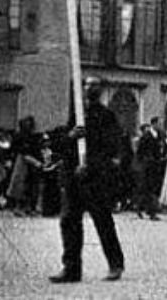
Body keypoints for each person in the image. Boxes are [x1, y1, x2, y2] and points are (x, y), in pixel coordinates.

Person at [49, 76, 125, 283]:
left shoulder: (107, 116)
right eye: (87, 84)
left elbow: (111, 148)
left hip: (95, 179)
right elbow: (56, 143)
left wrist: (89, 165)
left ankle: (115, 264)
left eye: (95, 85)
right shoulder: (73, 114)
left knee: (103, 221)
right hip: (72, 178)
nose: (90, 87)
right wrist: (71, 136)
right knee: (69, 222)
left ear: (101, 90)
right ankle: (71, 269)